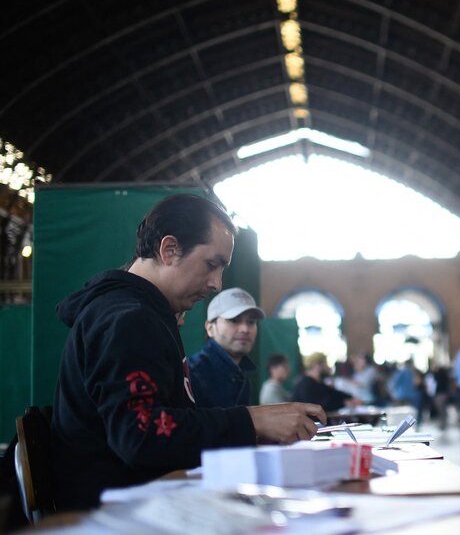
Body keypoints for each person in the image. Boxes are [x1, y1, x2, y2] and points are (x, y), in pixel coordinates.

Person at [50, 194, 326, 511]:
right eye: (212, 265)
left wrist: (253, 431)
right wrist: (251, 421)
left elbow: (170, 425)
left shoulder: (144, 315)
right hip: (118, 515)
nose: (216, 284)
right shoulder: (127, 319)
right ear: (169, 250)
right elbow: (142, 438)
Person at [187, 287, 264, 407]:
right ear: (210, 328)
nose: (245, 329)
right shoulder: (192, 375)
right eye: (234, 320)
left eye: (251, 322)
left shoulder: (241, 374)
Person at [291, 352, 362, 412]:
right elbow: (318, 406)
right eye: (325, 363)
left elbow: (334, 393)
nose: (328, 366)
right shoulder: (306, 384)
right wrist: (344, 403)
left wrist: (351, 398)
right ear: (317, 365)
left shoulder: (317, 382)